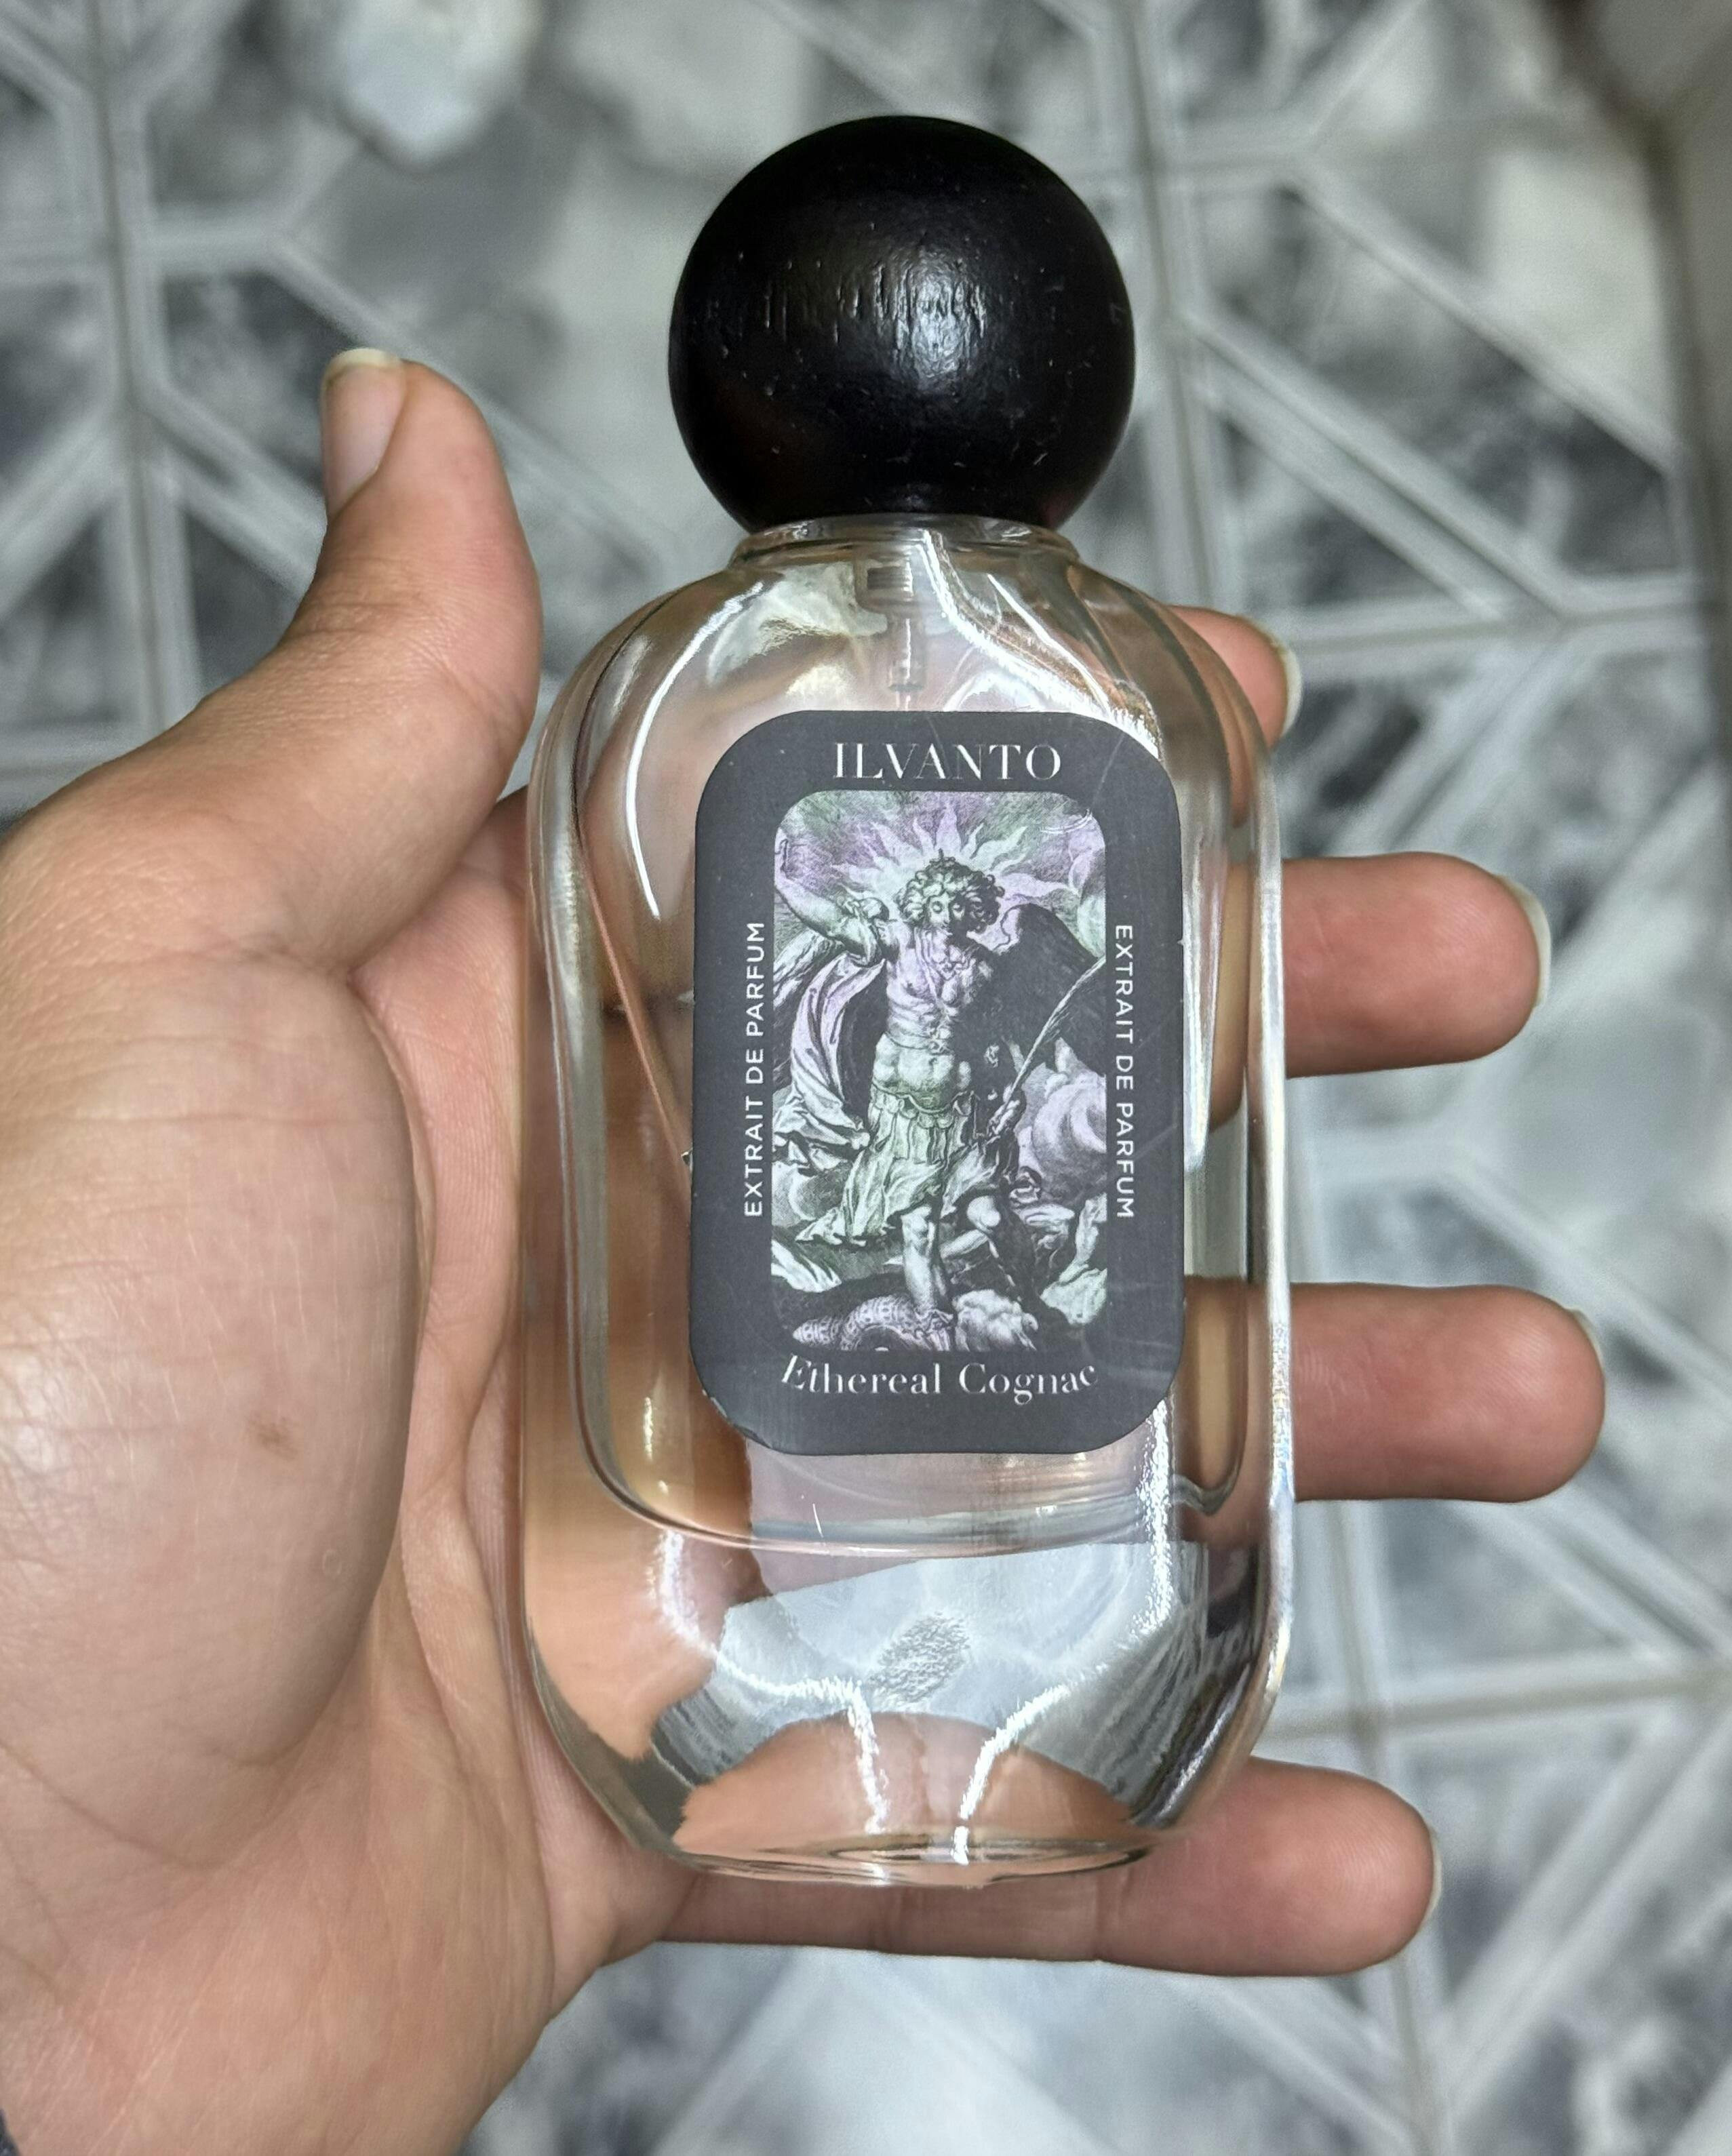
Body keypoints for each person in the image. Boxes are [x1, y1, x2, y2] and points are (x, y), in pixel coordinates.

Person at [0, 353, 1605, 2154]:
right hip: (706, 1571)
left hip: (993, 1415)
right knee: (912, 1200)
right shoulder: (744, 714)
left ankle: (933, 1285)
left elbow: (1020, 986)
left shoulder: (1028, 718)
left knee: (994, 1204)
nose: (944, 913)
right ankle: (910, 1284)